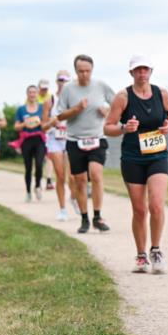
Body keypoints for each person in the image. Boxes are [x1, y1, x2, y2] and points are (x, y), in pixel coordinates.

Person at [104, 56, 168, 273]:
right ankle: (141, 255)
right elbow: (107, 127)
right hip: (133, 157)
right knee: (139, 209)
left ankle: (156, 250)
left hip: (157, 155)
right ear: (131, 73)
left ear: (151, 71)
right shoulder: (122, 97)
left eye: (145, 69)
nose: (141, 73)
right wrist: (124, 128)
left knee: (156, 205)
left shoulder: (162, 94)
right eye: (137, 70)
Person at [57, 54, 115, 233]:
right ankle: (84, 219)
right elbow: (60, 116)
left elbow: (119, 104)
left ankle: (97, 216)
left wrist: (108, 111)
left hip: (97, 138)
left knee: (96, 175)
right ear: (76, 71)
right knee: (80, 180)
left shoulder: (101, 86)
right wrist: (76, 109)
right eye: (81, 71)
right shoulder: (68, 89)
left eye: (87, 71)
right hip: (75, 140)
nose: (84, 74)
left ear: (92, 70)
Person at [43, 71, 76, 221]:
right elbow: (43, 126)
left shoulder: (75, 100)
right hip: (55, 140)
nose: (63, 82)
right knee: (60, 176)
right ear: (56, 82)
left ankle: (74, 198)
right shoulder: (50, 100)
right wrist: (52, 123)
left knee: (73, 177)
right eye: (61, 80)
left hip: (70, 139)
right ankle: (62, 209)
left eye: (67, 80)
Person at [13, 85, 47, 202]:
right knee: (28, 167)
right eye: (30, 92)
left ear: (37, 94)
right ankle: (28, 192)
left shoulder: (42, 108)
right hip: (26, 140)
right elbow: (16, 127)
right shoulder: (21, 109)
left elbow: (47, 124)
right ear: (27, 94)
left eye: (34, 92)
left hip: (39, 139)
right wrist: (25, 124)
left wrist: (40, 122)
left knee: (39, 163)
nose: (32, 94)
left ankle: (37, 185)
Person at [37, 78, 56, 192]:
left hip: (46, 130)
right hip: (35, 131)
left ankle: (48, 179)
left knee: (49, 156)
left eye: (46, 88)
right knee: (39, 158)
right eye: (42, 88)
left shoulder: (50, 98)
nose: (44, 90)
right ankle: (39, 178)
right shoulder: (34, 97)